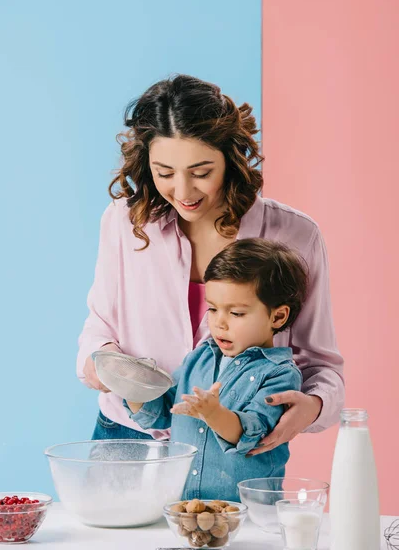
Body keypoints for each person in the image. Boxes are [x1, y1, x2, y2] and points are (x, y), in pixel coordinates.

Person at [77, 74, 344, 449]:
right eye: (164, 173)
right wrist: (100, 360)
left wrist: (313, 406)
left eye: (201, 172)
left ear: (230, 158)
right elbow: (100, 327)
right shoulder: (124, 221)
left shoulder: (294, 235)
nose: (183, 192)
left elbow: (321, 364)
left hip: (231, 448)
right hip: (126, 435)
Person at [123, 238, 306, 501]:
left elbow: (253, 435)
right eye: (212, 308)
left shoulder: (279, 373)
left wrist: (214, 413)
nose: (219, 323)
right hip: (184, 506)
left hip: (247, 511)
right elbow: (163, 413)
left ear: (277, 316)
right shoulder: (200, 357)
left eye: (237, 313)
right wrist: (134, 391)